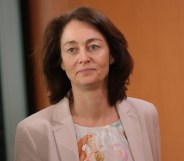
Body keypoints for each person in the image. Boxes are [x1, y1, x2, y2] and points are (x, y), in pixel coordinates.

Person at [14, 6, 160, 161]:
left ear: (112, 55)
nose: (84, 58)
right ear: (61, 62)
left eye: (93, 46)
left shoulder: (145, 114)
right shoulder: (32, 131)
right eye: (72, 49)